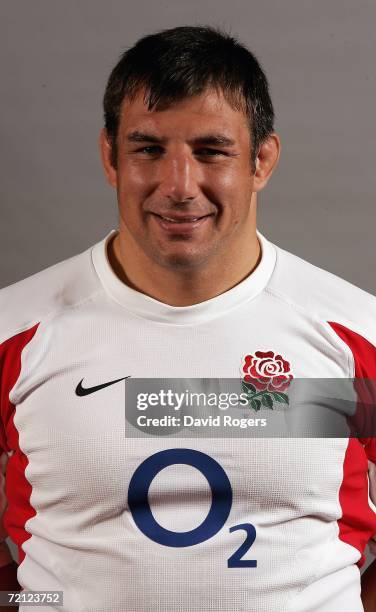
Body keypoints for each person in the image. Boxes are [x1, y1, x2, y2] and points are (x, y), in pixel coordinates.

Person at [0, 24, 376, 612]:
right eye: (148, 149)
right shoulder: (16, 332)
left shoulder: (355, 334)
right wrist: (37, 602)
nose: (178, 186)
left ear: (263, 160)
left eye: (211, 151)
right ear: (109, 156)